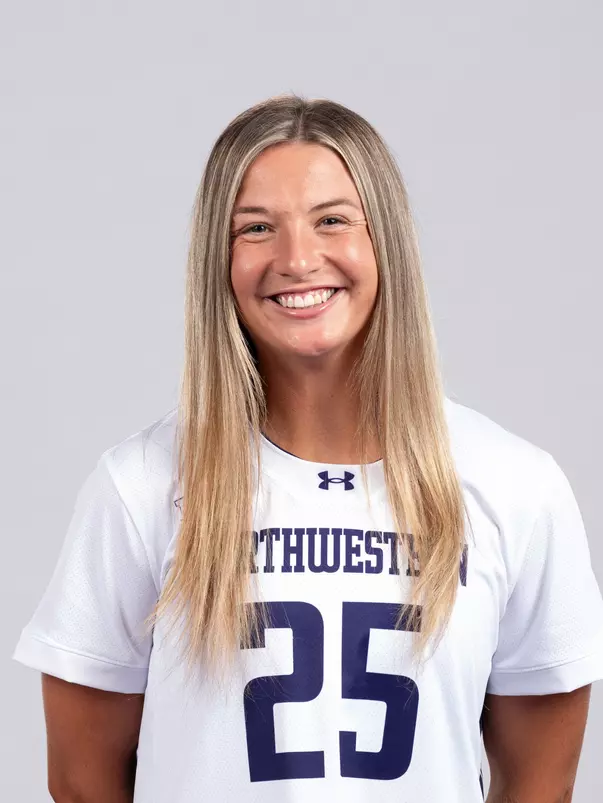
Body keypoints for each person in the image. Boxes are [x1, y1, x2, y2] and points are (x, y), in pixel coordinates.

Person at [12, 93, 603, 803]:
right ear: (217, 261)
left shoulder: (514, 487)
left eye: (331, 220)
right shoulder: (141, 485)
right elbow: (81, 781)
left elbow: (539, 783)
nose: (296, 258)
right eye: (255, 227)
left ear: (383, 238)